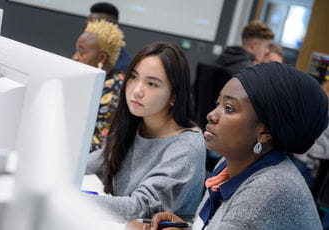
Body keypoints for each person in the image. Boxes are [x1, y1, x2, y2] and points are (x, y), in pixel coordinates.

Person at [127, 62, 328, 229]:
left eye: (229, 108)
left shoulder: (268, 192)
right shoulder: (228, 163)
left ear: (264, 132)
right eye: (218, 104)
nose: (211, 115)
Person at [85, 42, 206, 222]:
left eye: (151, 84)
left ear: (174, 95)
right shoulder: (137, 122)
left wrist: (71, 198)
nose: (137, 90)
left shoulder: (186, 148)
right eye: (134, 77)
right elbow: (98, 160)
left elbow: (140, 207)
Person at [72, 20, 125, 152]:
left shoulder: (112, 92)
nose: (75, 57)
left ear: (101, 58)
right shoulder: (93, 82)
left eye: (81, 52)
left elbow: (96, 147)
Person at [87, 2, 132, 72]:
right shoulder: (83, 53)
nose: (91, 29)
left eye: (99, 25)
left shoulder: (124, 66)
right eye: (89, 25)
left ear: (114, 27)